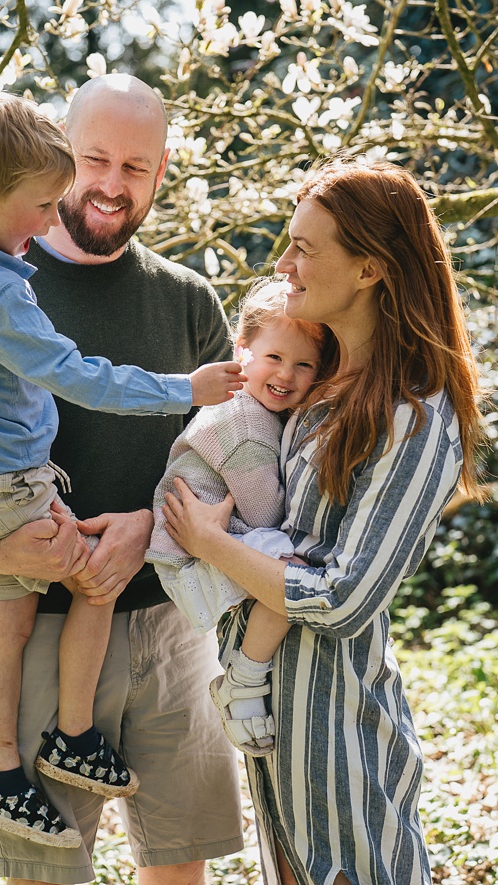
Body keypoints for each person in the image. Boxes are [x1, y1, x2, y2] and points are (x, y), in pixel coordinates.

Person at [0, 89, 246, 849]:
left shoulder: (189, 299)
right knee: (46, 871)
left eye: (135, 165)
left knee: (182, 858)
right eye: (94, 158)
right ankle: (25, 762)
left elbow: (234, 450)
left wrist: (150, 523)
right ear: (59, 155)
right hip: (38, 631)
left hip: (174, 625)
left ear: (162, 170)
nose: (109, 183)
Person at [161, 157, 484, 885]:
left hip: (339, 731)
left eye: (305, 247)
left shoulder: (415, 414)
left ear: (370, 268)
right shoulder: (309, 380)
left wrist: (209, 541)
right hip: (270, 711)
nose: (285, 263)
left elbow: (342, 596)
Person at [142, 278, 335, 758]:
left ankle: (245, 676)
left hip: (196, 547)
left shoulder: (251, 410)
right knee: (293, 577)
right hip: (191, 555)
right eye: (273, 358)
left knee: (287, 576)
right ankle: (244, 682)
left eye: (303, 365)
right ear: (241, 350)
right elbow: (265, 510)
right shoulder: (246, 423)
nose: (286, 375)